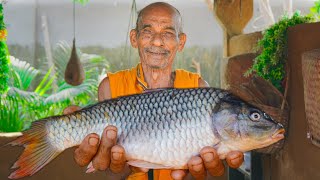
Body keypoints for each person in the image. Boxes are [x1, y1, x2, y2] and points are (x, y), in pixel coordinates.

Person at [64, 2, 244, 180]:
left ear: (180, 42)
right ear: (134, 38)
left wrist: (197, 174)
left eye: (167, 33)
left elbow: (208, 166)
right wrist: (120, 167)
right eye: (148, 32)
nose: (157, 41)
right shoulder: (110, 86)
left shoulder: (197, 86)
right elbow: (112, 168)